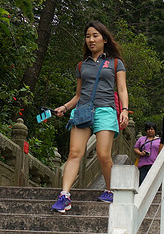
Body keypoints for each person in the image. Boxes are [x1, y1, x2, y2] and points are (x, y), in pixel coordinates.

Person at [51, 21, 129, 211]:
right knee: (74, 153)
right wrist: (65, 107)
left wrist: (125, 110)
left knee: (103, 154)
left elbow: (121, 89)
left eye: (95, 36)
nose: (91, 40)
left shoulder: (116, 63)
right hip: (83, 110)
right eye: (88, 36)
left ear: (104, 38)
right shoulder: (81, 65)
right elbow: (78, 95)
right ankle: (65, 196)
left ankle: (110, 191)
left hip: (105, 110)